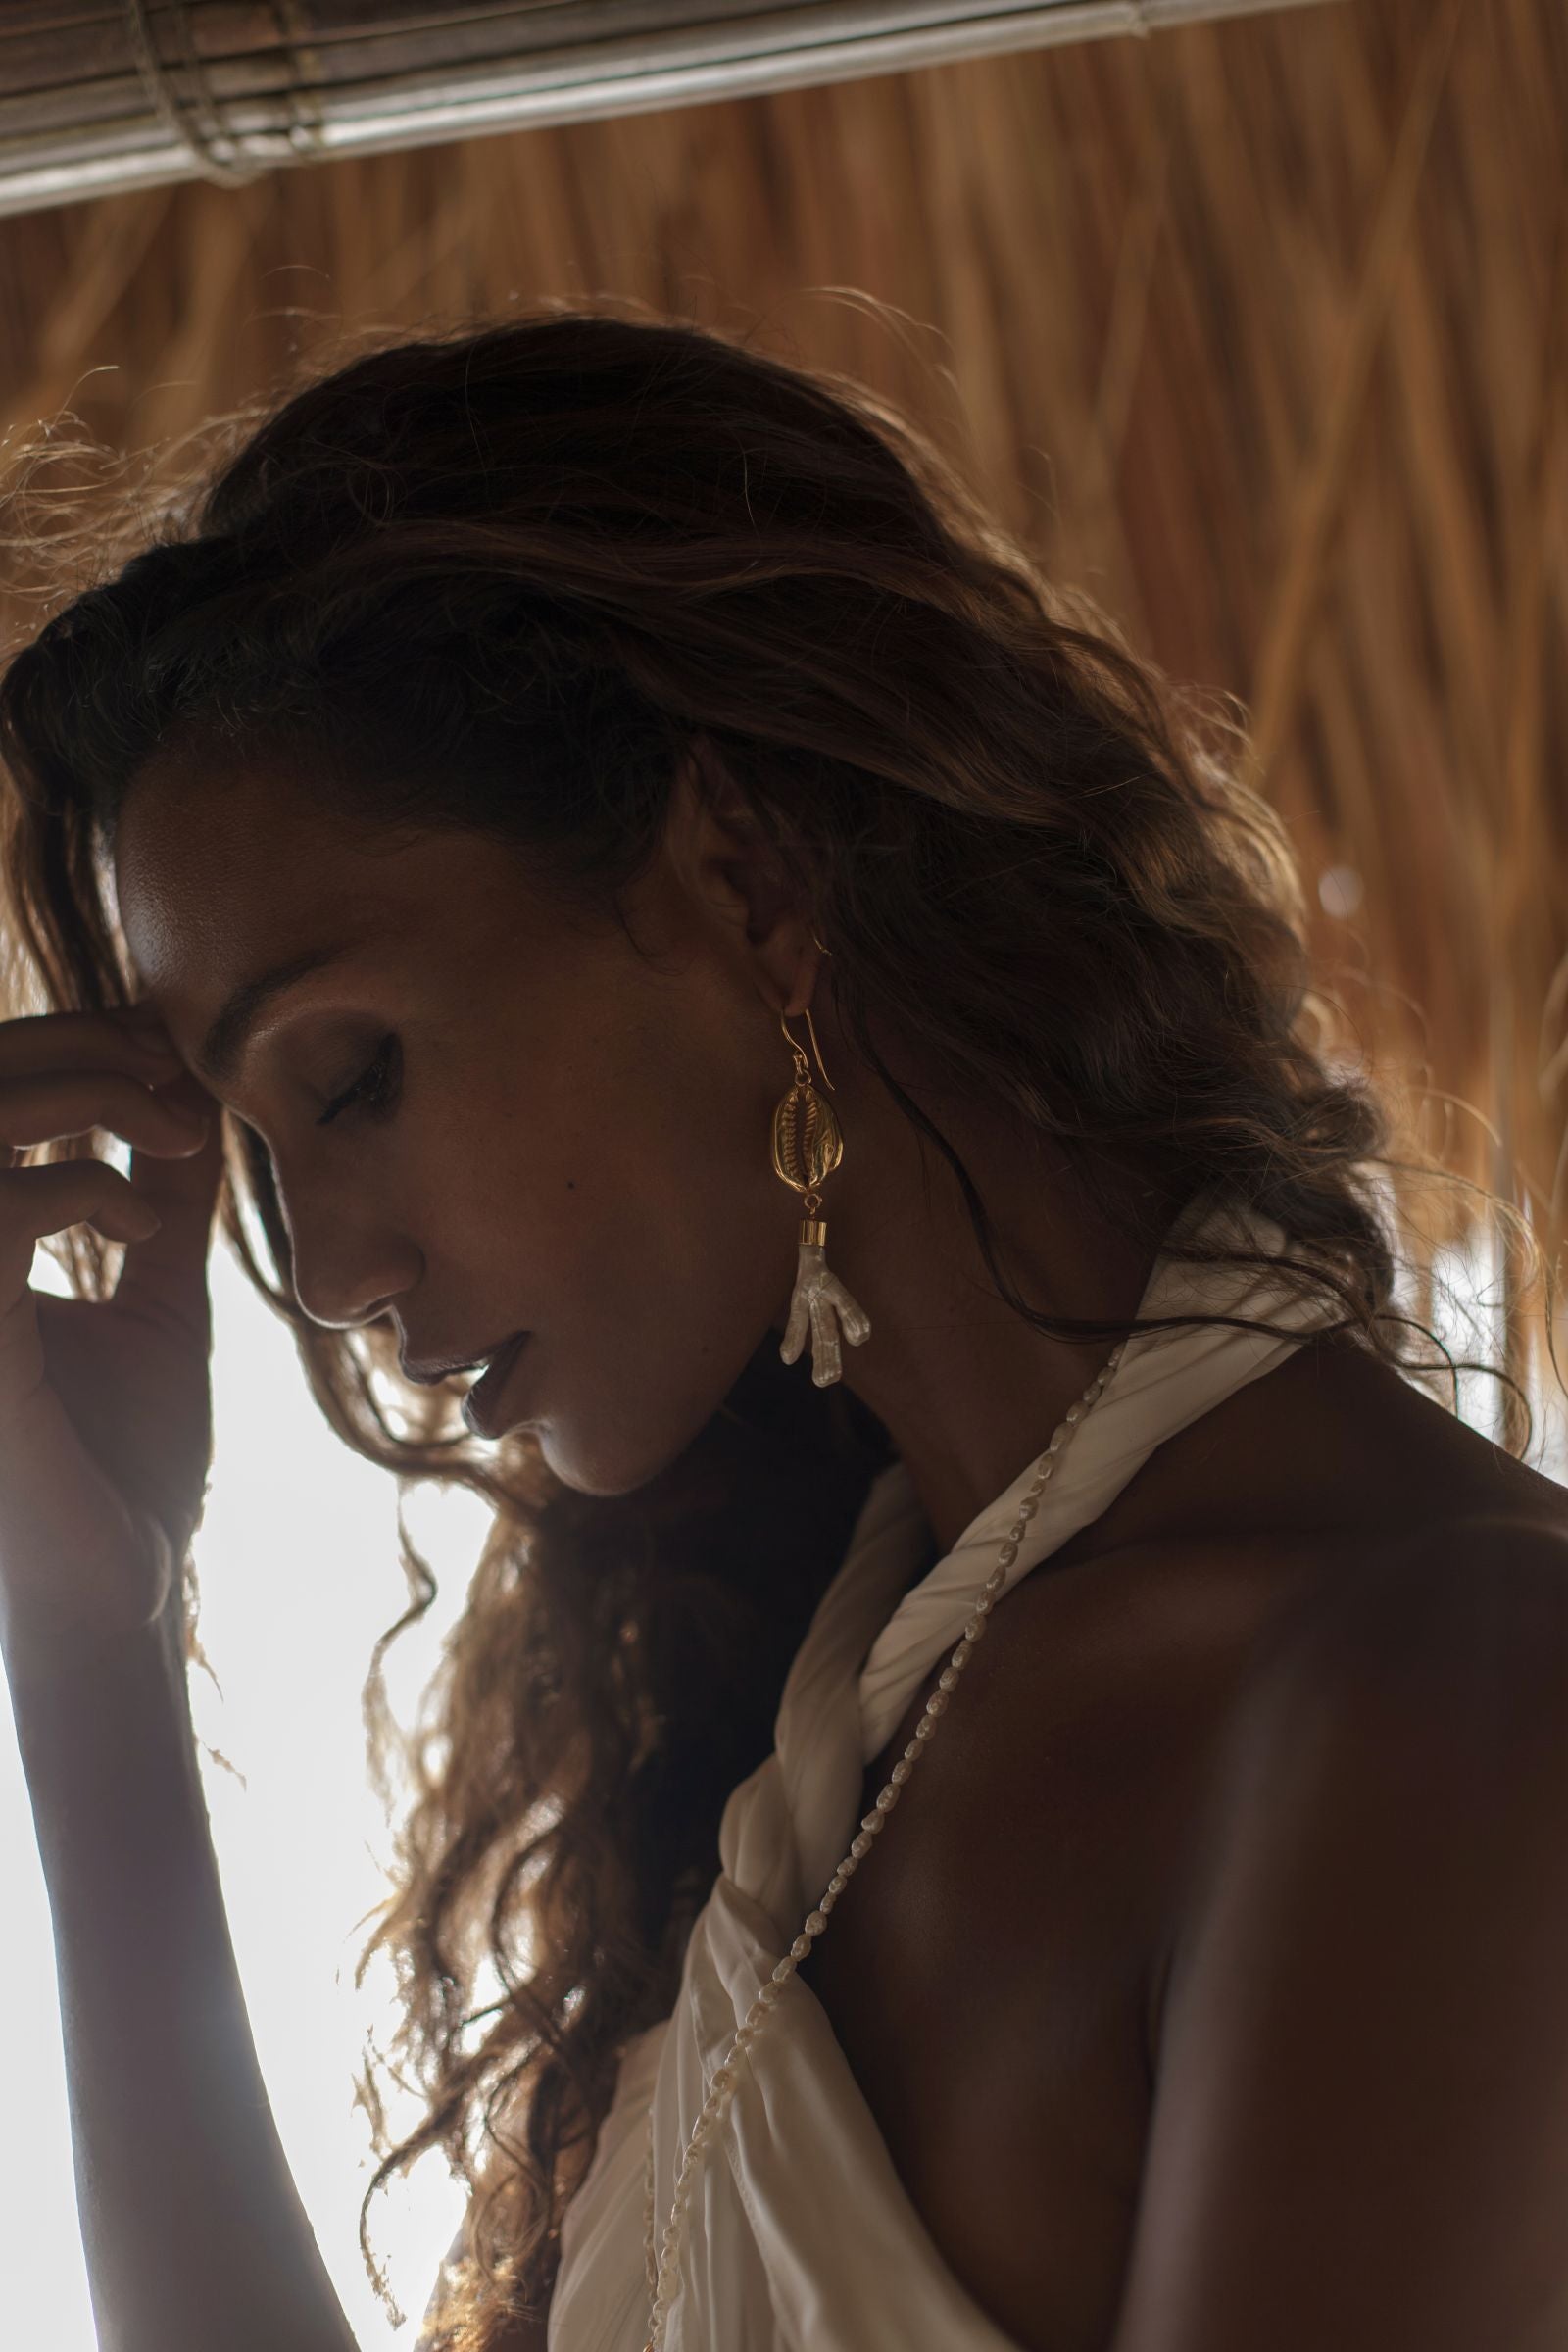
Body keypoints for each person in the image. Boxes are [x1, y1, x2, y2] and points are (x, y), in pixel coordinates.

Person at [0, 300, 1564, 2352]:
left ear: (736, 875)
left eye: (351, 1078)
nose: (327, 1271)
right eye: (258, 1163)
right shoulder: (820, 1750)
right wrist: (90, 1641)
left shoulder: (1444, 1703)